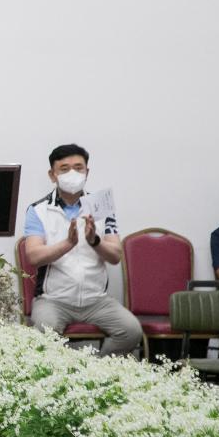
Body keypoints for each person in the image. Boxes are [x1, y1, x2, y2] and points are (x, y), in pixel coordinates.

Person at [22, 144, 142, 356]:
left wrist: (94, 240)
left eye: (78, 168)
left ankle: (94, 373)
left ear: (87, 172)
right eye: (64, 169)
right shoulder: (38, 210)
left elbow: (115, 256)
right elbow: (33, 256)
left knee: (131, 331)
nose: (72, 174)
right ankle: (66, 378)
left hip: (96, 300)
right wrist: (67, 244)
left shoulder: (102, 206)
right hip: (53, 300)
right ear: (52, 175)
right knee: (43, 333)